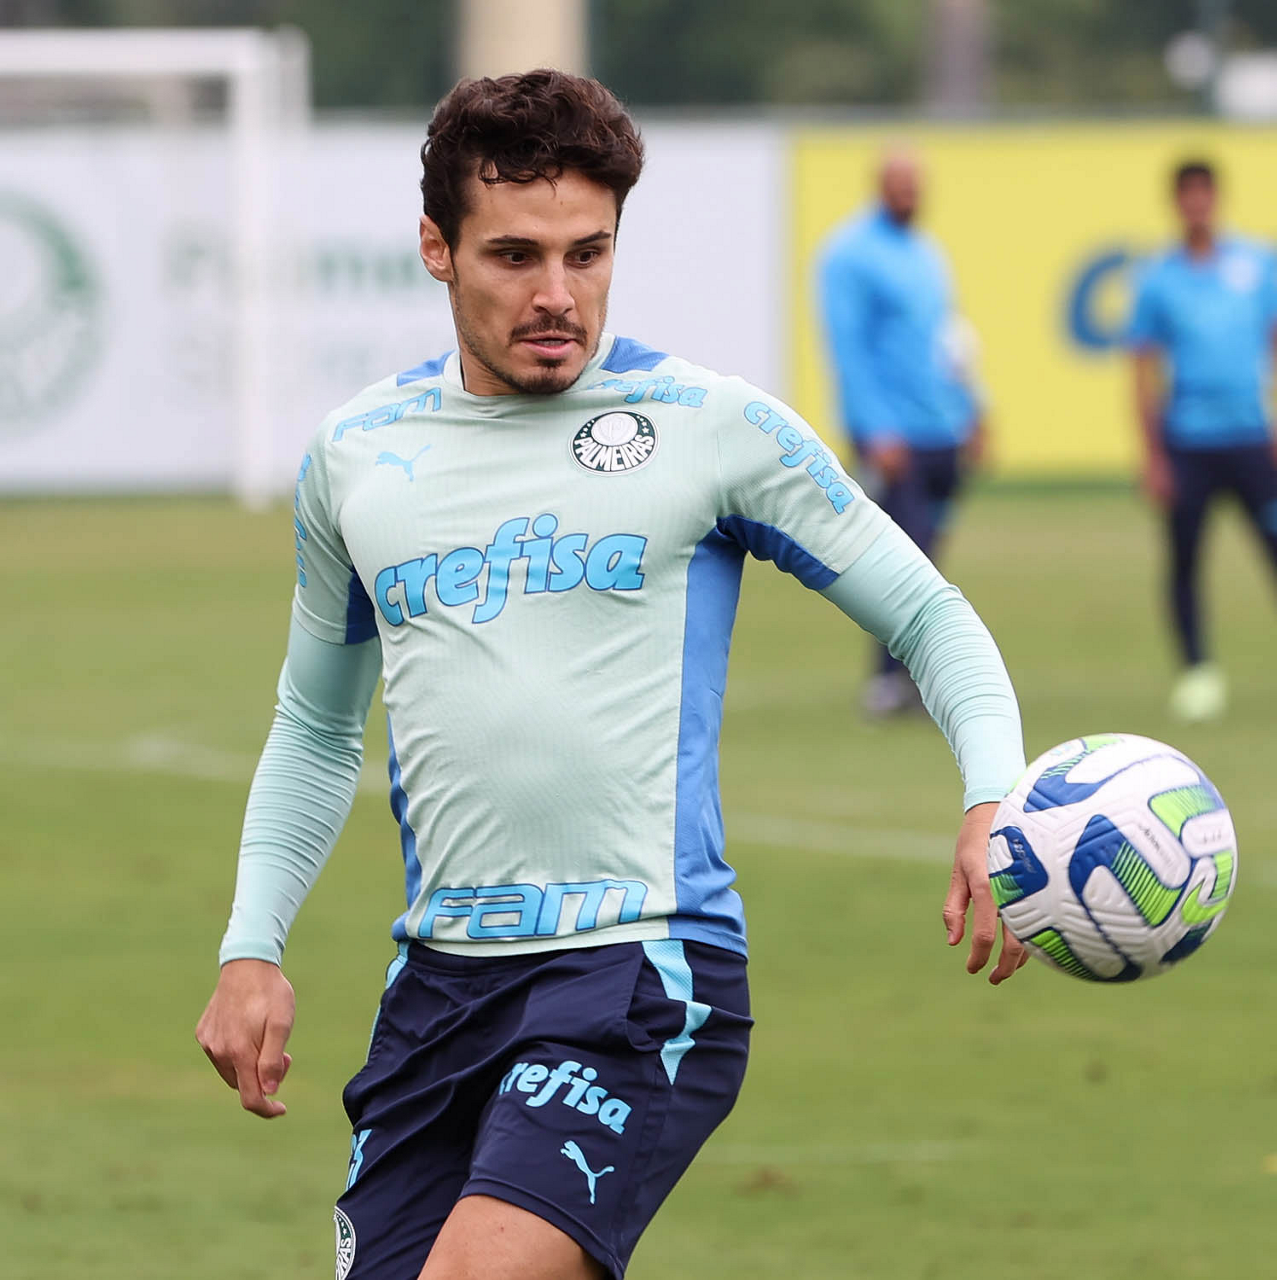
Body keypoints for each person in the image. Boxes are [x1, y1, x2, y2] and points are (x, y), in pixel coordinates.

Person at [195, 71, 1027, 1280]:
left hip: (639, 971)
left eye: (587, 254)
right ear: (436, 248)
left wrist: (990, 792)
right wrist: (250, 943)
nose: (556, 294)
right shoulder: (355, 458)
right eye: (514, 255)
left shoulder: (709, 425)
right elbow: (316, 728)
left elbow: (927, 612)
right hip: (436, 988)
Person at [817, 148, 986, 717]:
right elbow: (848, 349)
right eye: (899, 183)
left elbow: (949, 342)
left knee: (929, 558)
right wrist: (875, 429)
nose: (909, 192)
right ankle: (888, 682)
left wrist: (974, 410)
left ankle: (911, 678)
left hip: (943, 428)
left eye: (915, 183)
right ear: (880, 185)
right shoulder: (850, 254)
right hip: (896, 436)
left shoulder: (927, 252)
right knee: (901, 562)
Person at [1128, 158, 1277, 722]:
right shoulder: (1159, 278)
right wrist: (1152, 456)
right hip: (1189, 441)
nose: (1197, 204)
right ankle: (1197, 672)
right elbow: (1142, 370)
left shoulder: (1256, 264)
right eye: (1187, 195)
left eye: (1204, 193)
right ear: (1177, 202)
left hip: (1251, 438)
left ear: (1216, 198)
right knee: (1186, 560)